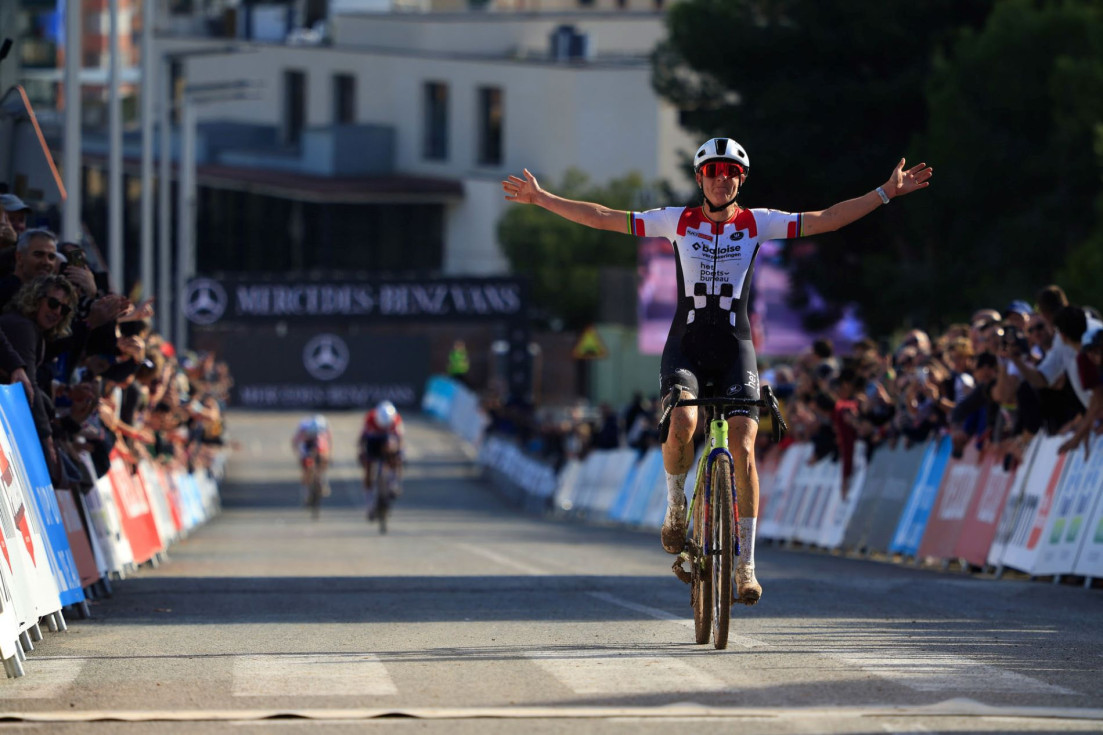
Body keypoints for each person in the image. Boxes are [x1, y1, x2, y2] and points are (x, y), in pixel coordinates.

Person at [502, 137, 932, 605]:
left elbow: (827, 220)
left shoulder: (758, 223)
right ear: (700, 178)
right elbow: (604, 216)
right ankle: (675, 507)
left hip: (735, 349)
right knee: (685, 422)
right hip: (685, 346)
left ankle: (745, 565)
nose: (721, 179)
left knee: (744, 448)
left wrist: (885, 193)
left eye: (730, 172)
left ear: (740, 179)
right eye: (712, 172)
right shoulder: (677, 220)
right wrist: (543, 199)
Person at [359, 400, 405, 519]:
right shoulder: (370, 418)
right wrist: (361, 453)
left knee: (395, 453)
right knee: (368, 469)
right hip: (372, 442)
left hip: (388, 441)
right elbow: (362, 439)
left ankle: (393, 482)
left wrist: (399, 454)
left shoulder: (395, 419)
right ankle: (369, 504)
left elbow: (400, 439)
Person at [292, 414, 331, 498]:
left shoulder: (321, 433)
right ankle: (305, 490)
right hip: (306, 447)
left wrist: (326, 458)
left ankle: (322, 480)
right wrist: (299, 454)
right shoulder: (303, 431)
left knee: (323, 458)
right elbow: (296, 443)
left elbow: (325, 447)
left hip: (317, 447)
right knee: (307, 468)